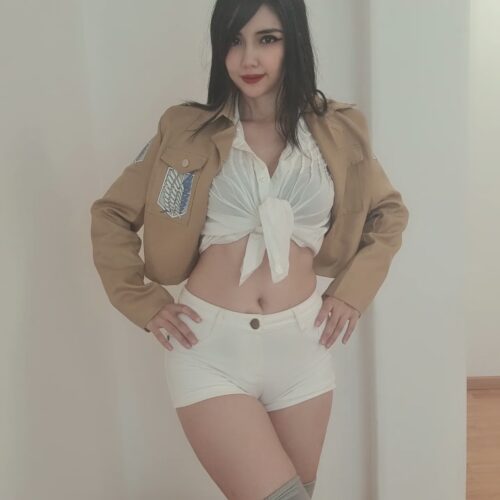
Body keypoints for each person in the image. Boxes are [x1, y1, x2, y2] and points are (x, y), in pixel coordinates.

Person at [90, 1, 410, 498]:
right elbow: (111, 214)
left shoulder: (339, 130)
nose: (248, 58)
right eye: (234, 41)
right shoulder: (184, 131)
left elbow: (387, 213)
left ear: (293, 42)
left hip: (303, 350)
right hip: (210, 349)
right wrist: (144, 302)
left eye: (267, 39)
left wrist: (352, 292)